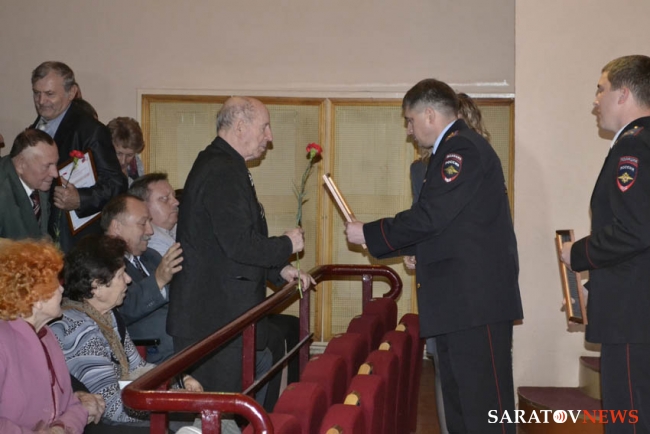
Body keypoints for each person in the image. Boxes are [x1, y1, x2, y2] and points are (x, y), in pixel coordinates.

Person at [345, 78, 522, 434]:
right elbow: (450, 228)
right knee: (461, 412)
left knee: (484, 411)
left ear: (429, 114)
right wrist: (413, 250)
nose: (409, 131)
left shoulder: (462, 150)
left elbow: (431, 217)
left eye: (410, 121)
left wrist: (370, 233)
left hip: (475, 304)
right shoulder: (451, 151)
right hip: (461, 303)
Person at [167, 97, 315, 401]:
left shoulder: (225, 164)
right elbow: (239, 245)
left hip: (220, 315)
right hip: (212, 319)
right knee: (214, 411)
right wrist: (287, 244)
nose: (269, 137)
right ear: (239, 126)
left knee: (225, 409)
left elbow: (231, 242)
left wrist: (279, 269)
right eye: (264, 127)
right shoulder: (221, 169)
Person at [49, 235, 240, 433]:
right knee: (210, 417)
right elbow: (112, 407)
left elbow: (138, 367)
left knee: (218, 412)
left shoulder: (107, 315)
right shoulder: (78, 329)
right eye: (121, 275)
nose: (129, 280)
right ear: (96, 287)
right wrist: (172, 402)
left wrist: (180, 381)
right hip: (111, 425)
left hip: (130, 407)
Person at [561, 55, 650, 433]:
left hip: (632, 318)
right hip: (636, 305)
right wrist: (594, 285)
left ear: (623, 94)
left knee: (629, 420)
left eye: (601, 90)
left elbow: (635, 231)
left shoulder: (634, 147)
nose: (595, 101)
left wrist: (577, 254)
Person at [404, 92, 491, 434]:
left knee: (475, 375)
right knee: (443, 366)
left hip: (470, 285)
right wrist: (414, 249)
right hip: (438, 283)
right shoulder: (421, 168)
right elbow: (422, 219)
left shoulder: (478, 161)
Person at [29, 61, 126, 252]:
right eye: (36, 93)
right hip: (37, 240)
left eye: (49, 94)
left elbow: (116, 183)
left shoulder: (90, 130)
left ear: (71, 92)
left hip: (73, 243)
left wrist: (81, 199)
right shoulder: (32, 131)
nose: (41, 100)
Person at [0, 240, 91, 433]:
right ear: (35, 296)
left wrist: (61, 428)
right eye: (55, 283)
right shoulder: (3, 340)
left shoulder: (46, 335)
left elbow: (73, 405)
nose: (62, 289)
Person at [101, 193, 182, 363]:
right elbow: (120, 310)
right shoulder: (101, 262)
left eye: (150, 222)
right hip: (152, 354)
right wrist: (158, 280)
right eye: (142, 223)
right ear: (117, 227)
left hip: (184, 340)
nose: (150, 231)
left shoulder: (150, 256)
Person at [0, 129, 58, 240]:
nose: (55, 174)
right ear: (21, 164)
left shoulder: (36, 180)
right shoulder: (2, 193)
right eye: (47, 166)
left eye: (55, 164)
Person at [128, 173, 180, 257]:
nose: (176, 202)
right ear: (142, 206)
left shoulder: (178, 226)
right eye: (164, 198)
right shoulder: (149, 240)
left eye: (174, 196)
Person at [107, 117, 145, 185]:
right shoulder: (99, 166)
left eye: (129, 155)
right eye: (119, 153)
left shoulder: (136, 165)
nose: (123, 161)